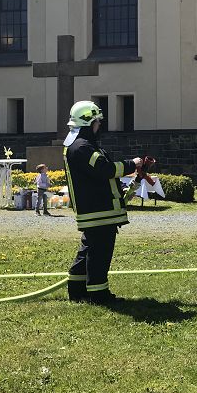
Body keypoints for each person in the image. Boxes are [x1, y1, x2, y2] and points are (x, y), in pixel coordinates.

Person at [63, 100, 141, 304]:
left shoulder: (78, 145)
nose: (99, 126)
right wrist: (132, 164)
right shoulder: (83, 147)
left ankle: (77, 290)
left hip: (95, 210)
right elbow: (105, 170)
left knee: (88, 251)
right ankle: (99, 295)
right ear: (89, 123)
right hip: (99, 211)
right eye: (97, 122)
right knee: (100, 254)